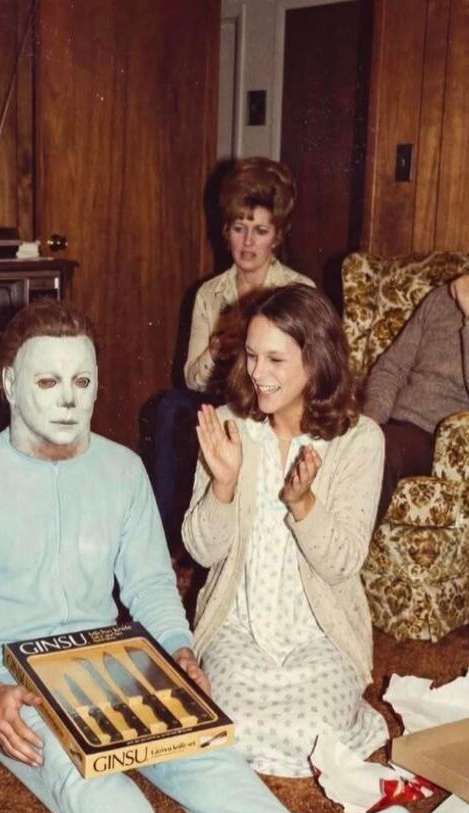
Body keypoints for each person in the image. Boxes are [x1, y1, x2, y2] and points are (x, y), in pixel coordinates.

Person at [0, 299, 416, 813]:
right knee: (76, 770)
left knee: (200, 746)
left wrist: (179, 653)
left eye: (82, 381)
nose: (67, 399)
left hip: (105, 657)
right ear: (9, 383)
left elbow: (151, 583)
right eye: (46, 381)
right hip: (8, 676)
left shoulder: (122, 470)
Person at [182, 284, 388, 778]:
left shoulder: (360, 440)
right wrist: (224, 486)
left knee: (316, 734)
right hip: (239, 627)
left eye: (276, 360)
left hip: (320, 635)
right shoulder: (231, 426)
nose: (257, 373)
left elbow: (342, 562)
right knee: (231, 725)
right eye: (252, 356)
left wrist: (305, 505)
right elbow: (200, 549)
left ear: (315, 362)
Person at [153, 157, 314, 548]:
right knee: (169, 410)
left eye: (260, 231)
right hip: (223, 397)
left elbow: (312, 369)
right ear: (225, 232)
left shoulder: (299, 290)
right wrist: (215, 349)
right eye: (239, 229)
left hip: (277, 401)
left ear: (277, 236)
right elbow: (191, 378)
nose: (247, 243)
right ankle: (165, 543)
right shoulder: (210, 294)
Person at [363, 207, 469, 523]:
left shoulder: (468, 305)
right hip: (391, 426)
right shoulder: (442, 299)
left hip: (443, 443)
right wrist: (368, 424)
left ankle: (337, 565)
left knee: (379, 452)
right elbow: (391, 367)